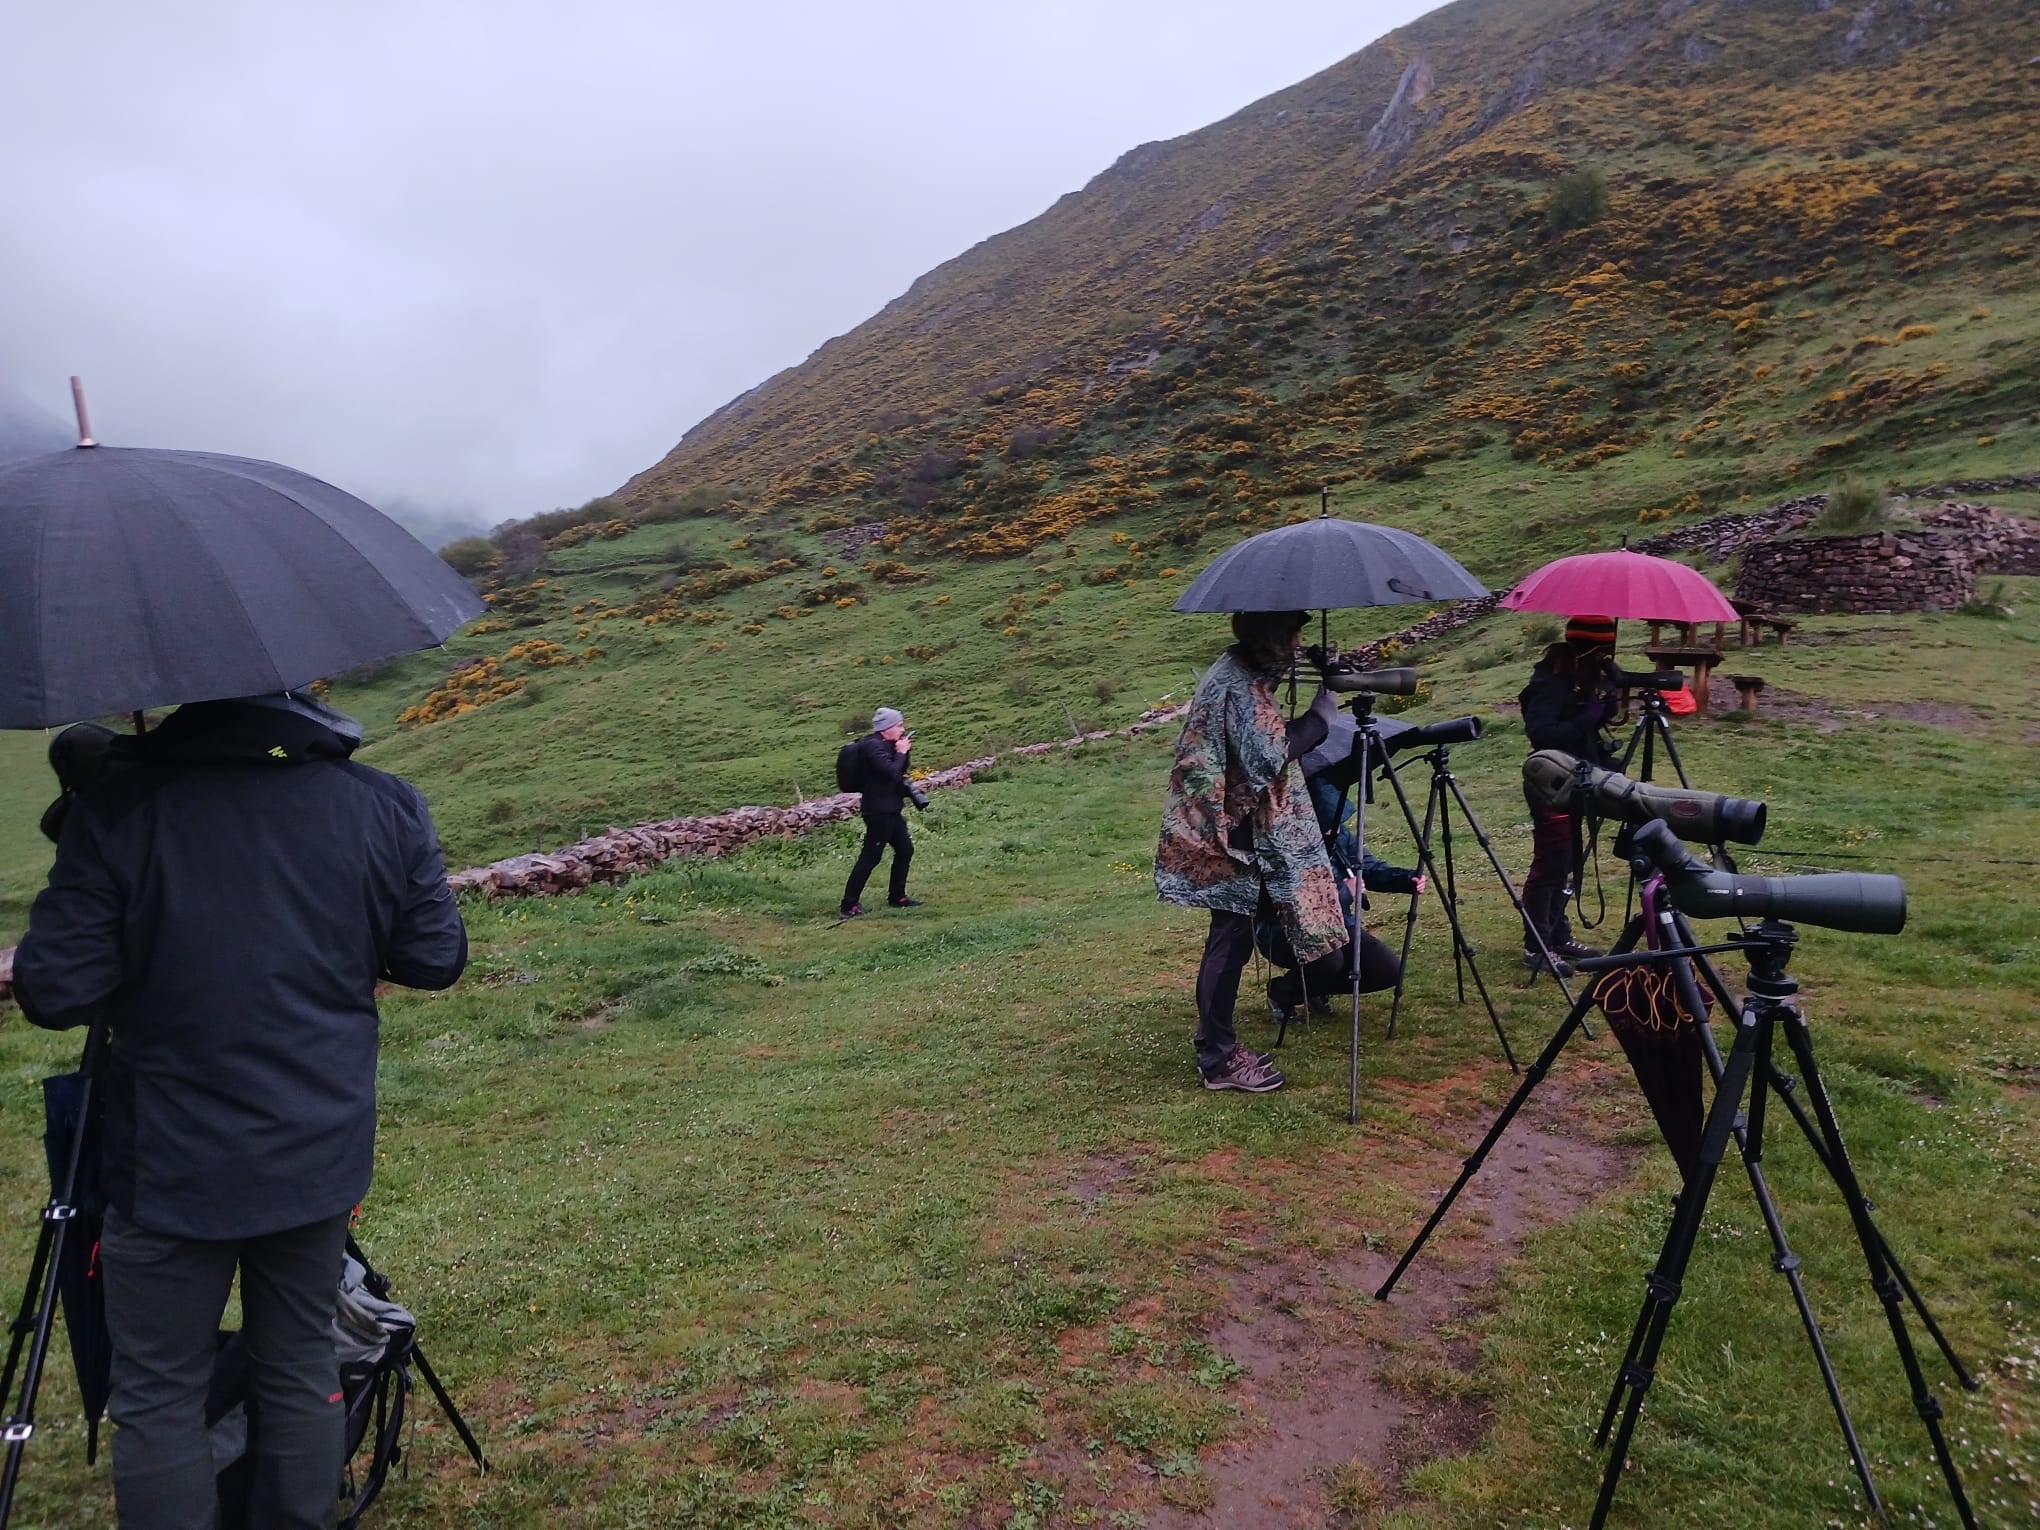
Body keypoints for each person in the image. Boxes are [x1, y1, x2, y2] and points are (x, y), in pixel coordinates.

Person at [10, 692, 467, 1530]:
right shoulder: (382, 803)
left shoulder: (124, 809)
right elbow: (434, 958)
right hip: (316, 1145)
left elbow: (54, 990)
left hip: (170, 1159)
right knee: (296, 1360)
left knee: (156, 1391)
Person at [1155, 611, 1347, 1092]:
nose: (1297, 644)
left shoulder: (1241, 672)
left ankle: (1221, 1046)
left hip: (1229, 818)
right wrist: (1322, 717)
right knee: (1229, 940)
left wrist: (1315, 673)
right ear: (1268, 636)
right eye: (1291, 636)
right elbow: (1269, 754)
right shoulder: (1240, 684)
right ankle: (1218, 1058)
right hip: (1229, 827)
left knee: (1232, 938)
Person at [1260, 766, 1429, 1022]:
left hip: (1340, 928)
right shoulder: (1285, 849)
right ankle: (1282, 994)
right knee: (1329, 958)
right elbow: (1294, 908)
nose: (1338, 829)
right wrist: (1346, 893)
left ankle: (1314, 988)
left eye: (1339, 822)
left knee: (1387, 970)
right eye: (1330, 824)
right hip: (1286, 933)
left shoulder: (1339, 835)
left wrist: (1405, 879)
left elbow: (1367, 868)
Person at [1517, 614, 1623, 976]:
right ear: (1587, 652)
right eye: (1601, 656)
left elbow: (1577, 732)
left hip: (1574, 782)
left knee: (1570, 861)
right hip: (1549, 784)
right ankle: (1537, 945)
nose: (1604, 664)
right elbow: (1542, 735)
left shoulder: (1574, 683)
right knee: (1551, 864)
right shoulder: (1548, 685)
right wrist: (1587, 719)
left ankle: (1558, 935)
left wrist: (1600, 714)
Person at [839, 705, 924, 917]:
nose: (902, 729)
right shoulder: (873, 748)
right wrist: (901, 752)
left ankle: (897, 896)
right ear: (887, 728)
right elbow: (891, 773)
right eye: (899, 725)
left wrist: (904, 750)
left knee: (905, 850)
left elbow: (900, 769)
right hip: (878, 811)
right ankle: (849, 905)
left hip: (891, 809)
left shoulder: (887, 744)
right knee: (870, 857)